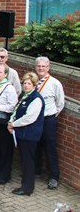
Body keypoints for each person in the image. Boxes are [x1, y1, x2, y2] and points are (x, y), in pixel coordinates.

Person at [9, 73, 45, 196]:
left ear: (34, 85)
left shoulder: (36, 99)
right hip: (23, 135)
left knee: (28, 161)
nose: (26, 85)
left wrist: (14, 124)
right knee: (24, 161)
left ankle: (27, 188)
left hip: (29, 135)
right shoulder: (25, 97)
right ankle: (25, 185)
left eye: (29, 83)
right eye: (25, 83)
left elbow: (29, 118)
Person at [34, 56, 65, 190]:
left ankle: (54, 176)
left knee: (50, 147)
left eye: (43, 66)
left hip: (48, 120)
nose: (41, 68)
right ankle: (37, 170)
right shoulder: (32, 81)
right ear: (35, 67)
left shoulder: (54, 83)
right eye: (38, 66)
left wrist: (51, 114)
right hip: (34, 120)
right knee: (35, 145)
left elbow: (60, 103)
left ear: (48, 68)